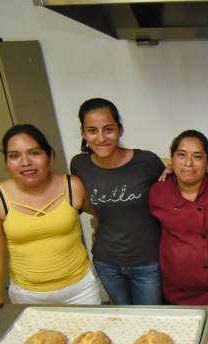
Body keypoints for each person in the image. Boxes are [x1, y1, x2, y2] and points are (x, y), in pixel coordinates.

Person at [0, 124, 101, 319]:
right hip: (27, 296)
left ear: (50, 156)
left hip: (81, 291)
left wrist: (100, 231)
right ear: (6, 161)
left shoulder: (72, 186)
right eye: (14, 156)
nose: (25, 162)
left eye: (34, 153)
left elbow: (104, 213)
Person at [70, 98, 164, 305]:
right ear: (84, 133)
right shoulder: (80, 164)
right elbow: (84, 201)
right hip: (107, 262)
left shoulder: (146, 161)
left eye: (108, 129)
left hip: (148, 262)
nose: (101, 137)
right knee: (122, 317)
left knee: (151, 321)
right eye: (93, 130)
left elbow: (169, 198)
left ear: (120, 130)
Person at [149, 130, 208, 305]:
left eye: (197, 156)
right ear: (172, 159)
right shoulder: (158, 192)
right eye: (181, 155)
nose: (188, 163)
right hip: (176, 290)